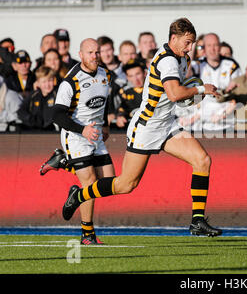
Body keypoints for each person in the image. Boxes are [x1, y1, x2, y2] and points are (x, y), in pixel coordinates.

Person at [61, 18, 222, 237]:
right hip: (146, 127)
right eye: (187, 42)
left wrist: (193, 92)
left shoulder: (181, 58)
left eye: (192, 42)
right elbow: (175, 93)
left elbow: (175, 94)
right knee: (126, 185)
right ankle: (79, 196)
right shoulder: (167, 61)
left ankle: (197, 221)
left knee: (202, 160)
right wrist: (201, 89)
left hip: (166, 124)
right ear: (173, 38)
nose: (190, 47)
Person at [46, 38, 115, 245]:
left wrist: (105, 125)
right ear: (81, 54)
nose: (94, 56)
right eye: (90, 53)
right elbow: (57, 115)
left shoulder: (105, 74)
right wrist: (82, 130)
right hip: (76, 136)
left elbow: (106, 99)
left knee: (110, 181)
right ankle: (87, 234)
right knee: (90, 183)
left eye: (97, 52)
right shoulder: (71, 81)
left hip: (95, 135)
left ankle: (65, 166)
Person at [190, 32, 242, 131]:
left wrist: (223, 114)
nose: (212, 49)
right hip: (203, 123)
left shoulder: (231, 64)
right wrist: (192, 46)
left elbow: (237, 93)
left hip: (226, 124)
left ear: (220, 47)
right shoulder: (198, 65)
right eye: (209, 45)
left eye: (215, 45)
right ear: (204, 48)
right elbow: (185, 75)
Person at [17, 66, 57, 131]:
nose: (47, 85)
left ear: (54, 81)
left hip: (52, 131)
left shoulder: (57, 94)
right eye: (44, 82)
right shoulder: (34, 95)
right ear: (38, 83)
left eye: (50, 81)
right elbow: (21, 111)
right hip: (35, 131)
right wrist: (32, 120)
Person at [114, 59, 145, 128]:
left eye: (138, 74)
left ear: (144, 73)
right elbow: (120, 108)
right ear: (127, 77)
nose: (135, 79)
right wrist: (120, 116)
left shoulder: (154, 89)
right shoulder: (124, 92)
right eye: (131, 76)